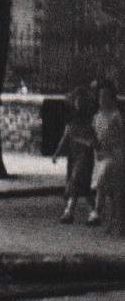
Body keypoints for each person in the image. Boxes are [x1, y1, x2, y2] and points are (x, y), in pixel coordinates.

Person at [52, 86, 96, 224]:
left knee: (77, 180)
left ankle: (73, 210)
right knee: (76, 182)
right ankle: (87, 211)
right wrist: (57, 153)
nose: (79, 104)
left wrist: (85, 142)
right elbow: (65, 138)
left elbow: (94, 139)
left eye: (82, 101)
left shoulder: (91, 121)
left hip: (85, 155)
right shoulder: (71, 120)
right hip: (74, 155)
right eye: (77, 101)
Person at [91, 78, 125, 235]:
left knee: (111, 186)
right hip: (102, 155)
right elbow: (95, 137)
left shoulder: (116, 116)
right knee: (111, 192)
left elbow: (122, 136)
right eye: (100, 96)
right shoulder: (97, 116)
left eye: (106, 96)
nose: (102, 99)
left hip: (115, 154)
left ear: (112, 97)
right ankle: (113, 222)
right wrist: (97, 150)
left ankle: (99, 212)